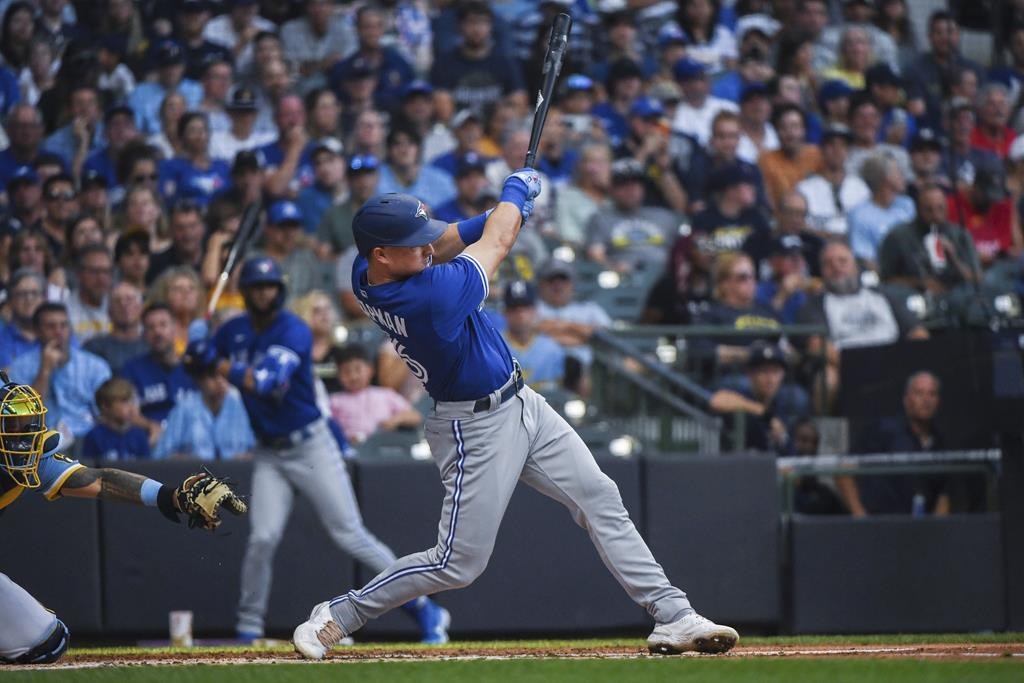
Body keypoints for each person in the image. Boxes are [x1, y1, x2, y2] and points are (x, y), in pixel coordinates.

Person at [291, 171, 738, 659]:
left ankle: (673, 614)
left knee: (599, 496)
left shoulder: (368, 268)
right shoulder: (427, 297)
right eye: (411, 244)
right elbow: (496, 244)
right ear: (382, 253)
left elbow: (444, 238)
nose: (425, 248)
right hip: (473, 426)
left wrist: (493, 217)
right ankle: (340, 614)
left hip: (523, 402)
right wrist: (512, 196)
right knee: (457, 563)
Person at [184, 255, 449, 644]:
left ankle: (425, 609)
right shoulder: (234, 331)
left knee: (350, 534)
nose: (263, 294)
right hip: (270, 453)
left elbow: (264, 381)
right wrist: (194, 353)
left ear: (279, 290)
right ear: (245, 292)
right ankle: (248, 627)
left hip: (310, 445)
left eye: (269, 287)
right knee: (262, 539)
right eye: (256, 288)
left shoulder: (293, 329)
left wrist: (216, 363)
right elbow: (201, 368)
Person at [0, 373, 244, 665]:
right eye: (11, 424)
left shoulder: (32, 457)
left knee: (47, 643)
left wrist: (171, 496)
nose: (20, 433)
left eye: (23, 423)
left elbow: (100, 481)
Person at [796, 240, 928, 411]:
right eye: (828, 264)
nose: (836, 267)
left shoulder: (884, 296)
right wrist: (862, 367)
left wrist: (898, 365)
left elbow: (918, 334)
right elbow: (817, 345)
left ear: (855, 267)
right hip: (846, 368)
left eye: (842, 261)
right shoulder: (814, 304)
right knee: (827, 379)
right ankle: (824, 434)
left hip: (894, 364)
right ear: (821, 271)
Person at [840, 371, 952, 517]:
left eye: (932, 394)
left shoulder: (940, 444)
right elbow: (843, 468)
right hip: (881, 527)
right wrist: (860, 515)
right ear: (906, 399)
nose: (926, 400)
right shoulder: (884, 430)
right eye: (919, 393)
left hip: (920, 532)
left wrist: (938, 532)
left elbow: (943, 495)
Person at [8, 302, 111, 445]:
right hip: (40, 444)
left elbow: (108, 415)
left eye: (64, 325)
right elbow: (25, 419)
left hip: (88, 442)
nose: (59, 332)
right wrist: (44, 371)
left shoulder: (95, 366)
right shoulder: (20, 368)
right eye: (51, 326)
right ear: (37, 331)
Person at [584, 159, 684, 274]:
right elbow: (595, 256)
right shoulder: (600, 219)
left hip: (665, 278)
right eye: (623, 184)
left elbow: (684, 251)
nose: (630, 189)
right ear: (611, 188)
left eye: (636, 183)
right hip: (623, 282)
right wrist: (614, 269)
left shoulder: (664, 216)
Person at [879, 184, 981, 294]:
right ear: (918, 210)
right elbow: (885, 279)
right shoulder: (898, 237)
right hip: (915, 298)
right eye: (929, 210)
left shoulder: (960, 236)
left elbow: (977, 279)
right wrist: (919, 283)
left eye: (940, 208)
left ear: (946, 208)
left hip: (957, 297)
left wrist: (954, 259)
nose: (936, 215)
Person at [153, 356, 255, 461]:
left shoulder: (234, 402)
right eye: (212, 376)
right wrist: (184, 461)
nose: (220, 381)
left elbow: (250, 449)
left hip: (233, 475)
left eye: (224, 376)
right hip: (192, 474)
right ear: (199, 381)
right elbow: (161, 456)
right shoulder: (185, 406)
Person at [327, 343, 422, 444]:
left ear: (370, 370)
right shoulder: (334, 401)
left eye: (358, 369)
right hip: (351, 449)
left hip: (383, 448)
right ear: (338, 375)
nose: (353, 376)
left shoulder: (386, 395)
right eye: (346, 372)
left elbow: (415, 417)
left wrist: (396, 420)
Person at [119, 304, 195, 426]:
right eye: (151, 327)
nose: (157, 332)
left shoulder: (194, 367)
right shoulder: (132, 370)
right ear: (144, 334)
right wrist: (150, 427)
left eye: (163, 325)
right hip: (150, 439)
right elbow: (126, 413)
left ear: (175, 329)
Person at [795, 124, 869, 237]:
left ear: (848, 151)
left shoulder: (860, 188)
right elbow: (798, 225)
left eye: (843, 145)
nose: (837, 150)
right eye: (831, 144)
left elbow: (866, 226)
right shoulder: (805, 188)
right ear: (822, 149)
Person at [847, 155, 916, 270]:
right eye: (898, 171)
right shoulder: (859, 215)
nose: (903, 176)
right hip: (886, 279)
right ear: (886, 177)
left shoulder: (907, 205)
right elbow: (865, 259)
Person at [501, 279, 566, 392]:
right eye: (514, 308)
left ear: (535, 311)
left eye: (525, 308)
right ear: (505, 312)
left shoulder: (552, 349)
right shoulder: (494, 348)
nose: (520, 314)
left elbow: (558, 391)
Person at [82, 281, 147, 375]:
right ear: (109, 311)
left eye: (129, 299)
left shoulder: (152, 344)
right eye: (117, 301)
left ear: (140, 308)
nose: (124, 305)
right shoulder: (94, 347)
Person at [80, 377, 152, 460]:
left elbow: (146, 469)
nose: (131, 407)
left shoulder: (139, 436)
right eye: (124, 402)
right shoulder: (94, 437)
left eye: (132, 401)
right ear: (106, 406)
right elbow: (89, 469)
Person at [0, 270, 46, 370]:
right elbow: (7, 381)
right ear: (10, 300)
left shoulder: (58, 330)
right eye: (22, 294)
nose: (29, 299)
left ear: (44, 299)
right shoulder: (1, 338)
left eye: (34, 293)